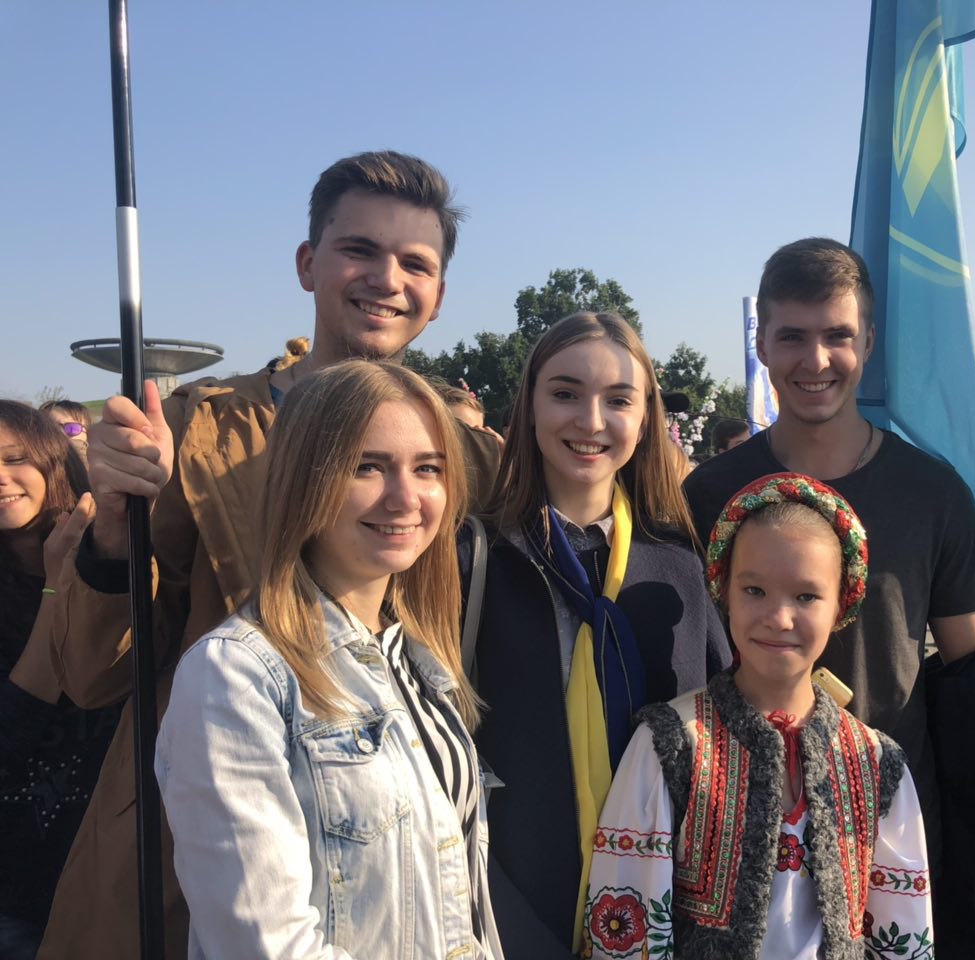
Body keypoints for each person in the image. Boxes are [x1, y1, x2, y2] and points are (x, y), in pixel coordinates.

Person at [39, 150, 502, 960]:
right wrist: (115, 527)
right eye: (360, 250)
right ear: (307, 264)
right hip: (216, 849)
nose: (387, 279)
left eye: (415, 263)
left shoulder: (465, 452)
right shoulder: (199, 431)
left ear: (438, 294)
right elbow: (91, 673)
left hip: (407, 850)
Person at [682, 237, 975, 958]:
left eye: (838, 335)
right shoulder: (705, 495)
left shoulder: (932, 492)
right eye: (792, 336)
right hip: (736, 831)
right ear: (761, 343)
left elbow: (974, 661)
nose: (816, 358)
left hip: (887, 825)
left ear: (868, 341)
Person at [155, 361, 502, 959]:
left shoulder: (417, 654)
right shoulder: (235, 677)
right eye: (367, 466)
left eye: (428, 468)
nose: (405, 498)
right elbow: (264, 943)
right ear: (304, 481)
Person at [466, 312, 732, 959]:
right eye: (565, 393)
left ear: (645, 420)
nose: (590, 421)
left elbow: (719, 745)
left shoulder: (679, 570)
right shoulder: (472, 563)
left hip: (666, 911)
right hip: (504, 914)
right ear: (530, 406)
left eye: (618, 400)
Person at [583, 473, 932, 959]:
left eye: (806, 597)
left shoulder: (876, 762)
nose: (779, 618)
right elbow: (626, 923)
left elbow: (903, 935)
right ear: (724, 591)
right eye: (754, 590)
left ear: (842, 605)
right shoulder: (671, 742)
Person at [0, 402, 111, 959]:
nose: (0, 477)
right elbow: (12, 729)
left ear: (53, 461)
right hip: (18, 878)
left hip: (108, 857)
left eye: (13, 458)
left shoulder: (107, 552)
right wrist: (54, 584)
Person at [38, 400, 91, 464]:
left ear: (87, 434)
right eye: (52, 428)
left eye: (72, 428)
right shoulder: (31, 465)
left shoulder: (97, 465)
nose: (62, 433)